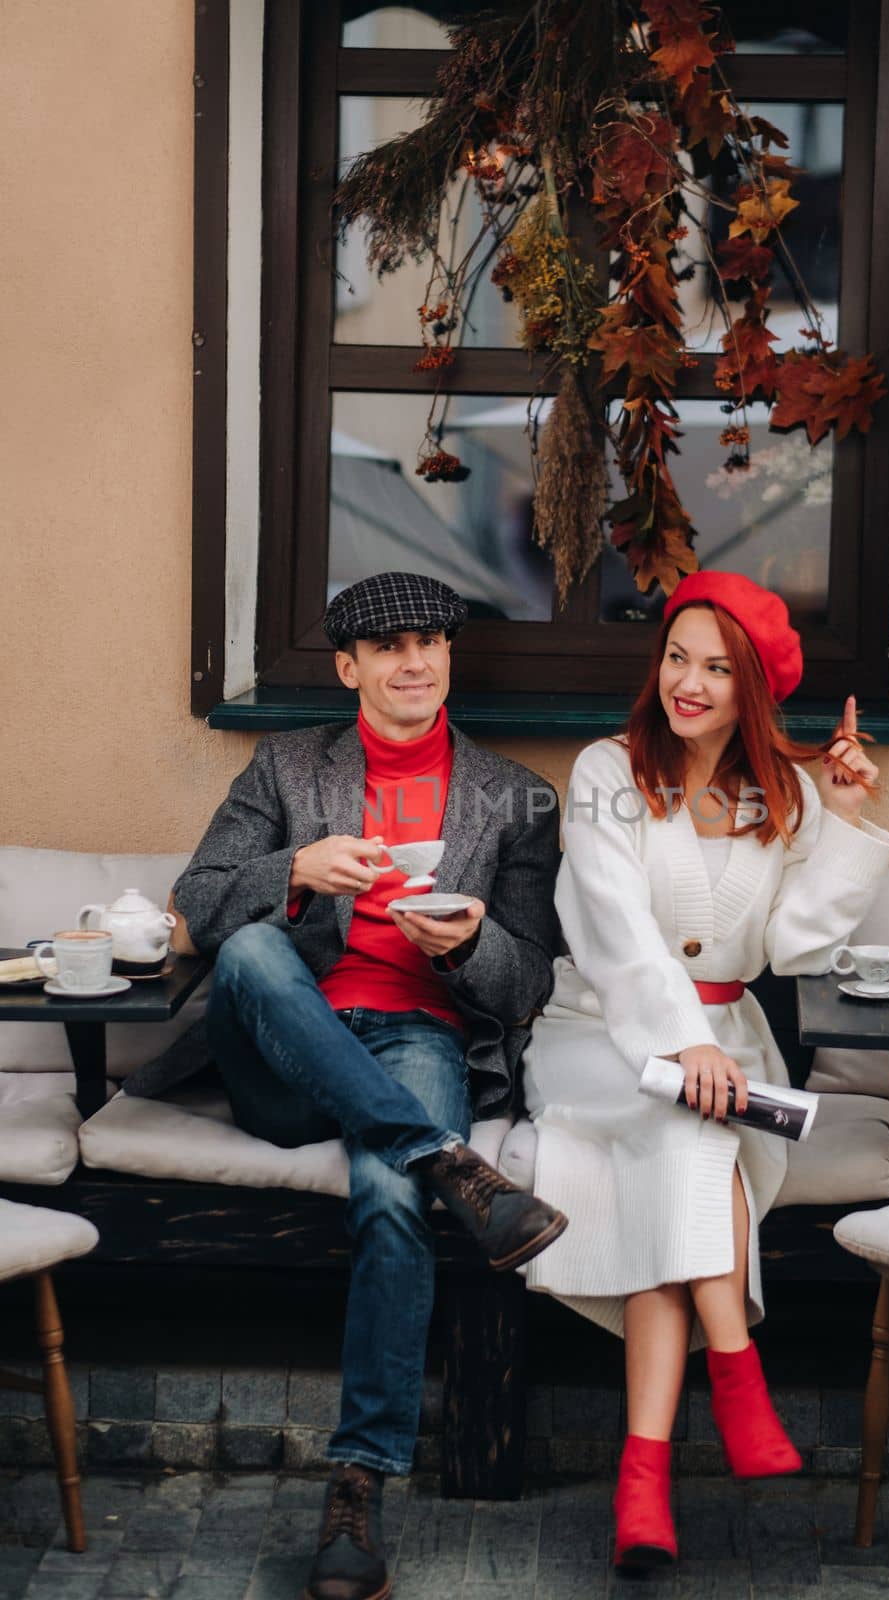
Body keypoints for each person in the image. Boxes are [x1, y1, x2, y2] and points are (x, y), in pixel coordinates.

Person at [166, 571, 567, 1600]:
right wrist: (296, 868)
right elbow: (203, 904)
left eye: (430, 641)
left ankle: (359, 1484)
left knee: (392, 1200)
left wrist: (472, 942)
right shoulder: (287, 765)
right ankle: (446, 1157)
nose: (414, 662)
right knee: (254, 953)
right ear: (348, 667)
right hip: (279, 1045)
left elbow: (524, 983)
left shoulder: (513, 796)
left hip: (416, 1034)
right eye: (388, 647)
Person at [521, 569, 889, 1570]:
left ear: (752, 689)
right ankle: (735, 1374)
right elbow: (608, 924)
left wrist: (848, 824)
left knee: (679, 1159)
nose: (686, 682)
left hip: (727, 1048)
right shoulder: (607, 769)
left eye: (715, 667)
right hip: (594, 1033)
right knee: (690, 1124)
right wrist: (674, 1041)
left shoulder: (786, 794)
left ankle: (640, 1486)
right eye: (676, 657)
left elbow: (796, 944)